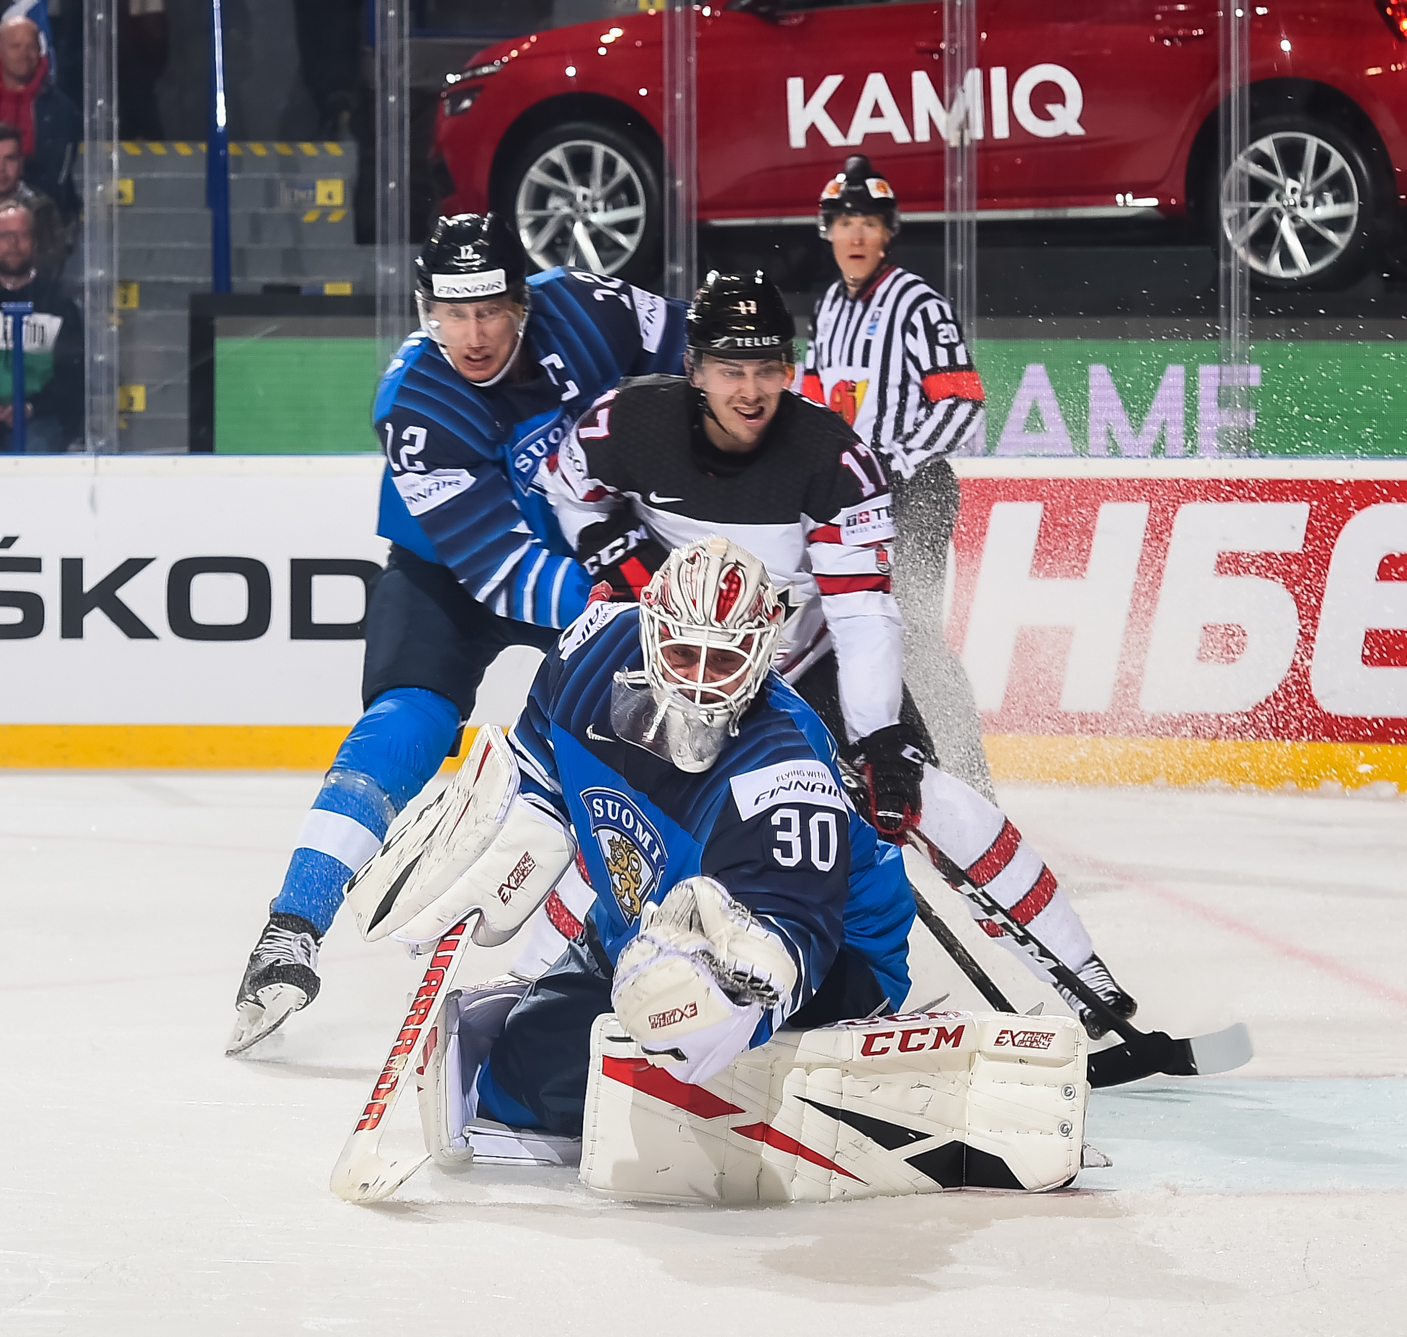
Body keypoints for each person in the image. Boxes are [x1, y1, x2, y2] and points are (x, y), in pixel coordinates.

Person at [546, 271, 1142, 1037]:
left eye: (768, 369)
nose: (751, 389)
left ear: (790, 370)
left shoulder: (833, 457)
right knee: (613, 813)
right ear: (695, 370)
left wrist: (878, 740)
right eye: (731, 369)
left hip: (795, 673)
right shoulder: (628, 422)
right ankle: (558, 979)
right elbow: (567, 488)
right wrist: (607, 544)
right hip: (680, 668)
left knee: (940, 804)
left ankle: (1085, 981)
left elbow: (862, 610)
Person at [225, 212, 687, 1056]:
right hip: (453, 569)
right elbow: (499, 570)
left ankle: (648, 936)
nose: (472, 336)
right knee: (405, 724)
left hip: (585, 544)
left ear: (523, 301)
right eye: (451, 314)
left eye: (490, 313)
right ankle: (290, 929)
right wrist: (632, 598)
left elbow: (699, 359)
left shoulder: (589, 306)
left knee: (639, 736)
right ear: (424, 307)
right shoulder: (415, 400)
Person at [469, 536, 917, 1132]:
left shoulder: (784, 769)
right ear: (652, 633)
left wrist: (729, 1009)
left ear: (760, 656)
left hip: (833, 953)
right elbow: (538, 748)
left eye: (725, 662)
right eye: (684, 655)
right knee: (514, 1088)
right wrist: (515, 822)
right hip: (640, 920)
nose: (700, 684)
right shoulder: (591, 649)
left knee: (664, 1064)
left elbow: (798, 930)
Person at [799, 155, 993, 794]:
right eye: (844, 221)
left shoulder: (917, 304)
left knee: (912, 637)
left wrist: (897, 460)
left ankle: (969, 784)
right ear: (827, 231)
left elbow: (963, 402)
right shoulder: (828, 306)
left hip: (914, 493)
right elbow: (808, 398)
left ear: (888, 232)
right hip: (850, 498)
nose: (855, 235)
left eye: (868, 223)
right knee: (848, 636)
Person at [0, 198, 81, 451]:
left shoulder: (58, 303)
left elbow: (73, 378)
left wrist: (32, 407)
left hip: (41, 417)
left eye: (21, 235)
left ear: (34, 243)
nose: (13, 244)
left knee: (35, 450)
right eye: (5, 235)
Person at [0, 14, 78, 220]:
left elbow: (58, 174)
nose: (24, 54)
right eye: (15, 46)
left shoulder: (61, 109)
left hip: (45, 218)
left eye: (31, 47)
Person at [0, 122, 66, 273]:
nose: (1, 168)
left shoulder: (43, 207)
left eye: (9, 159)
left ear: (21, 163)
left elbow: (53, 262)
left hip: (35, 292)